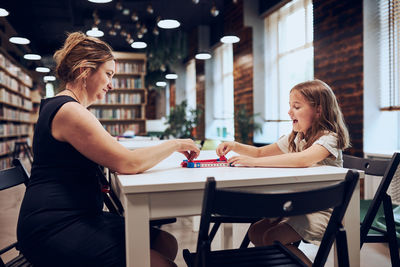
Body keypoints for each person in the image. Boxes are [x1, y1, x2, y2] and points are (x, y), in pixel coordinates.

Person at [17, 32, 200, 267]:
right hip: (54, 226)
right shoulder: (69, 111)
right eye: (108, 74)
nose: (111, 85)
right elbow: (129, 163)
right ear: (85, 70)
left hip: (79, 215)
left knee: (167, 243)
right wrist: (175, 143)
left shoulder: (67, 107)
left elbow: (117, 154)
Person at [216, 79, 350, 265]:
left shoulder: (329, 138)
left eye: (296, 106)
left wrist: (254, 163)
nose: (289, 112)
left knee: (273, 237)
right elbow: (260, 152)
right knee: (256, 232)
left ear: (318, 110)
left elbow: (302, 160)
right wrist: (234, 145)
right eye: (290, 106)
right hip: (301, 204)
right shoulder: (297, 137)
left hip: (325, 209)